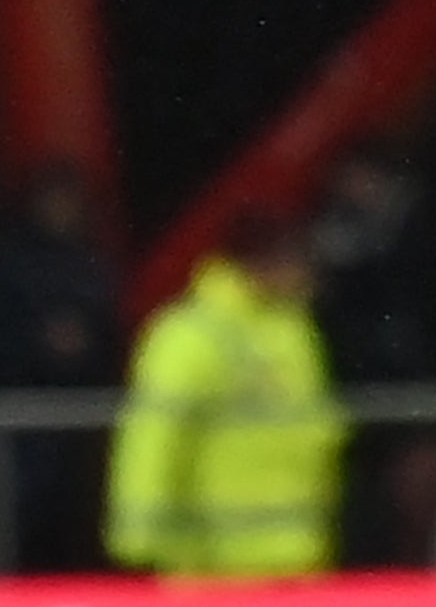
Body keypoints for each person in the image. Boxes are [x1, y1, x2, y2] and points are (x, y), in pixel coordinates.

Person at [103, 206, 350, 578]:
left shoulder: (294, 332)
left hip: (297, 558)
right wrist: (139, 534)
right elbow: (155, 434)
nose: (308, 276)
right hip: (210, 563)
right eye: (298, 261)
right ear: (262, 263)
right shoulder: (188, 334)